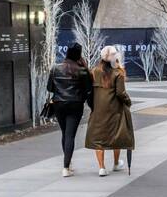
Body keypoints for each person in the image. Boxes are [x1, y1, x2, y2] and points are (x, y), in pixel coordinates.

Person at [85, 45, 135, 177]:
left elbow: (89, 92)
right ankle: (116, 163)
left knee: (98, 137)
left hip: (98, 109)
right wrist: (128, 102)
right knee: (115, 134)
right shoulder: (118, 73)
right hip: (114, 109)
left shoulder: (94, 71)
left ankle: (102, 167)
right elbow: (121, 93)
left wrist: (93, 106)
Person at [48, 43, 91, 177]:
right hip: (75, 104)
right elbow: (88, 89)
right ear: (78, 54)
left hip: (59, 104)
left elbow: (50, 88)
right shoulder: (82, 70)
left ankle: (68, 163)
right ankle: (66, 167)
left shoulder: (55, 68)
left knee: (64, 132)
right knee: (70, 135)